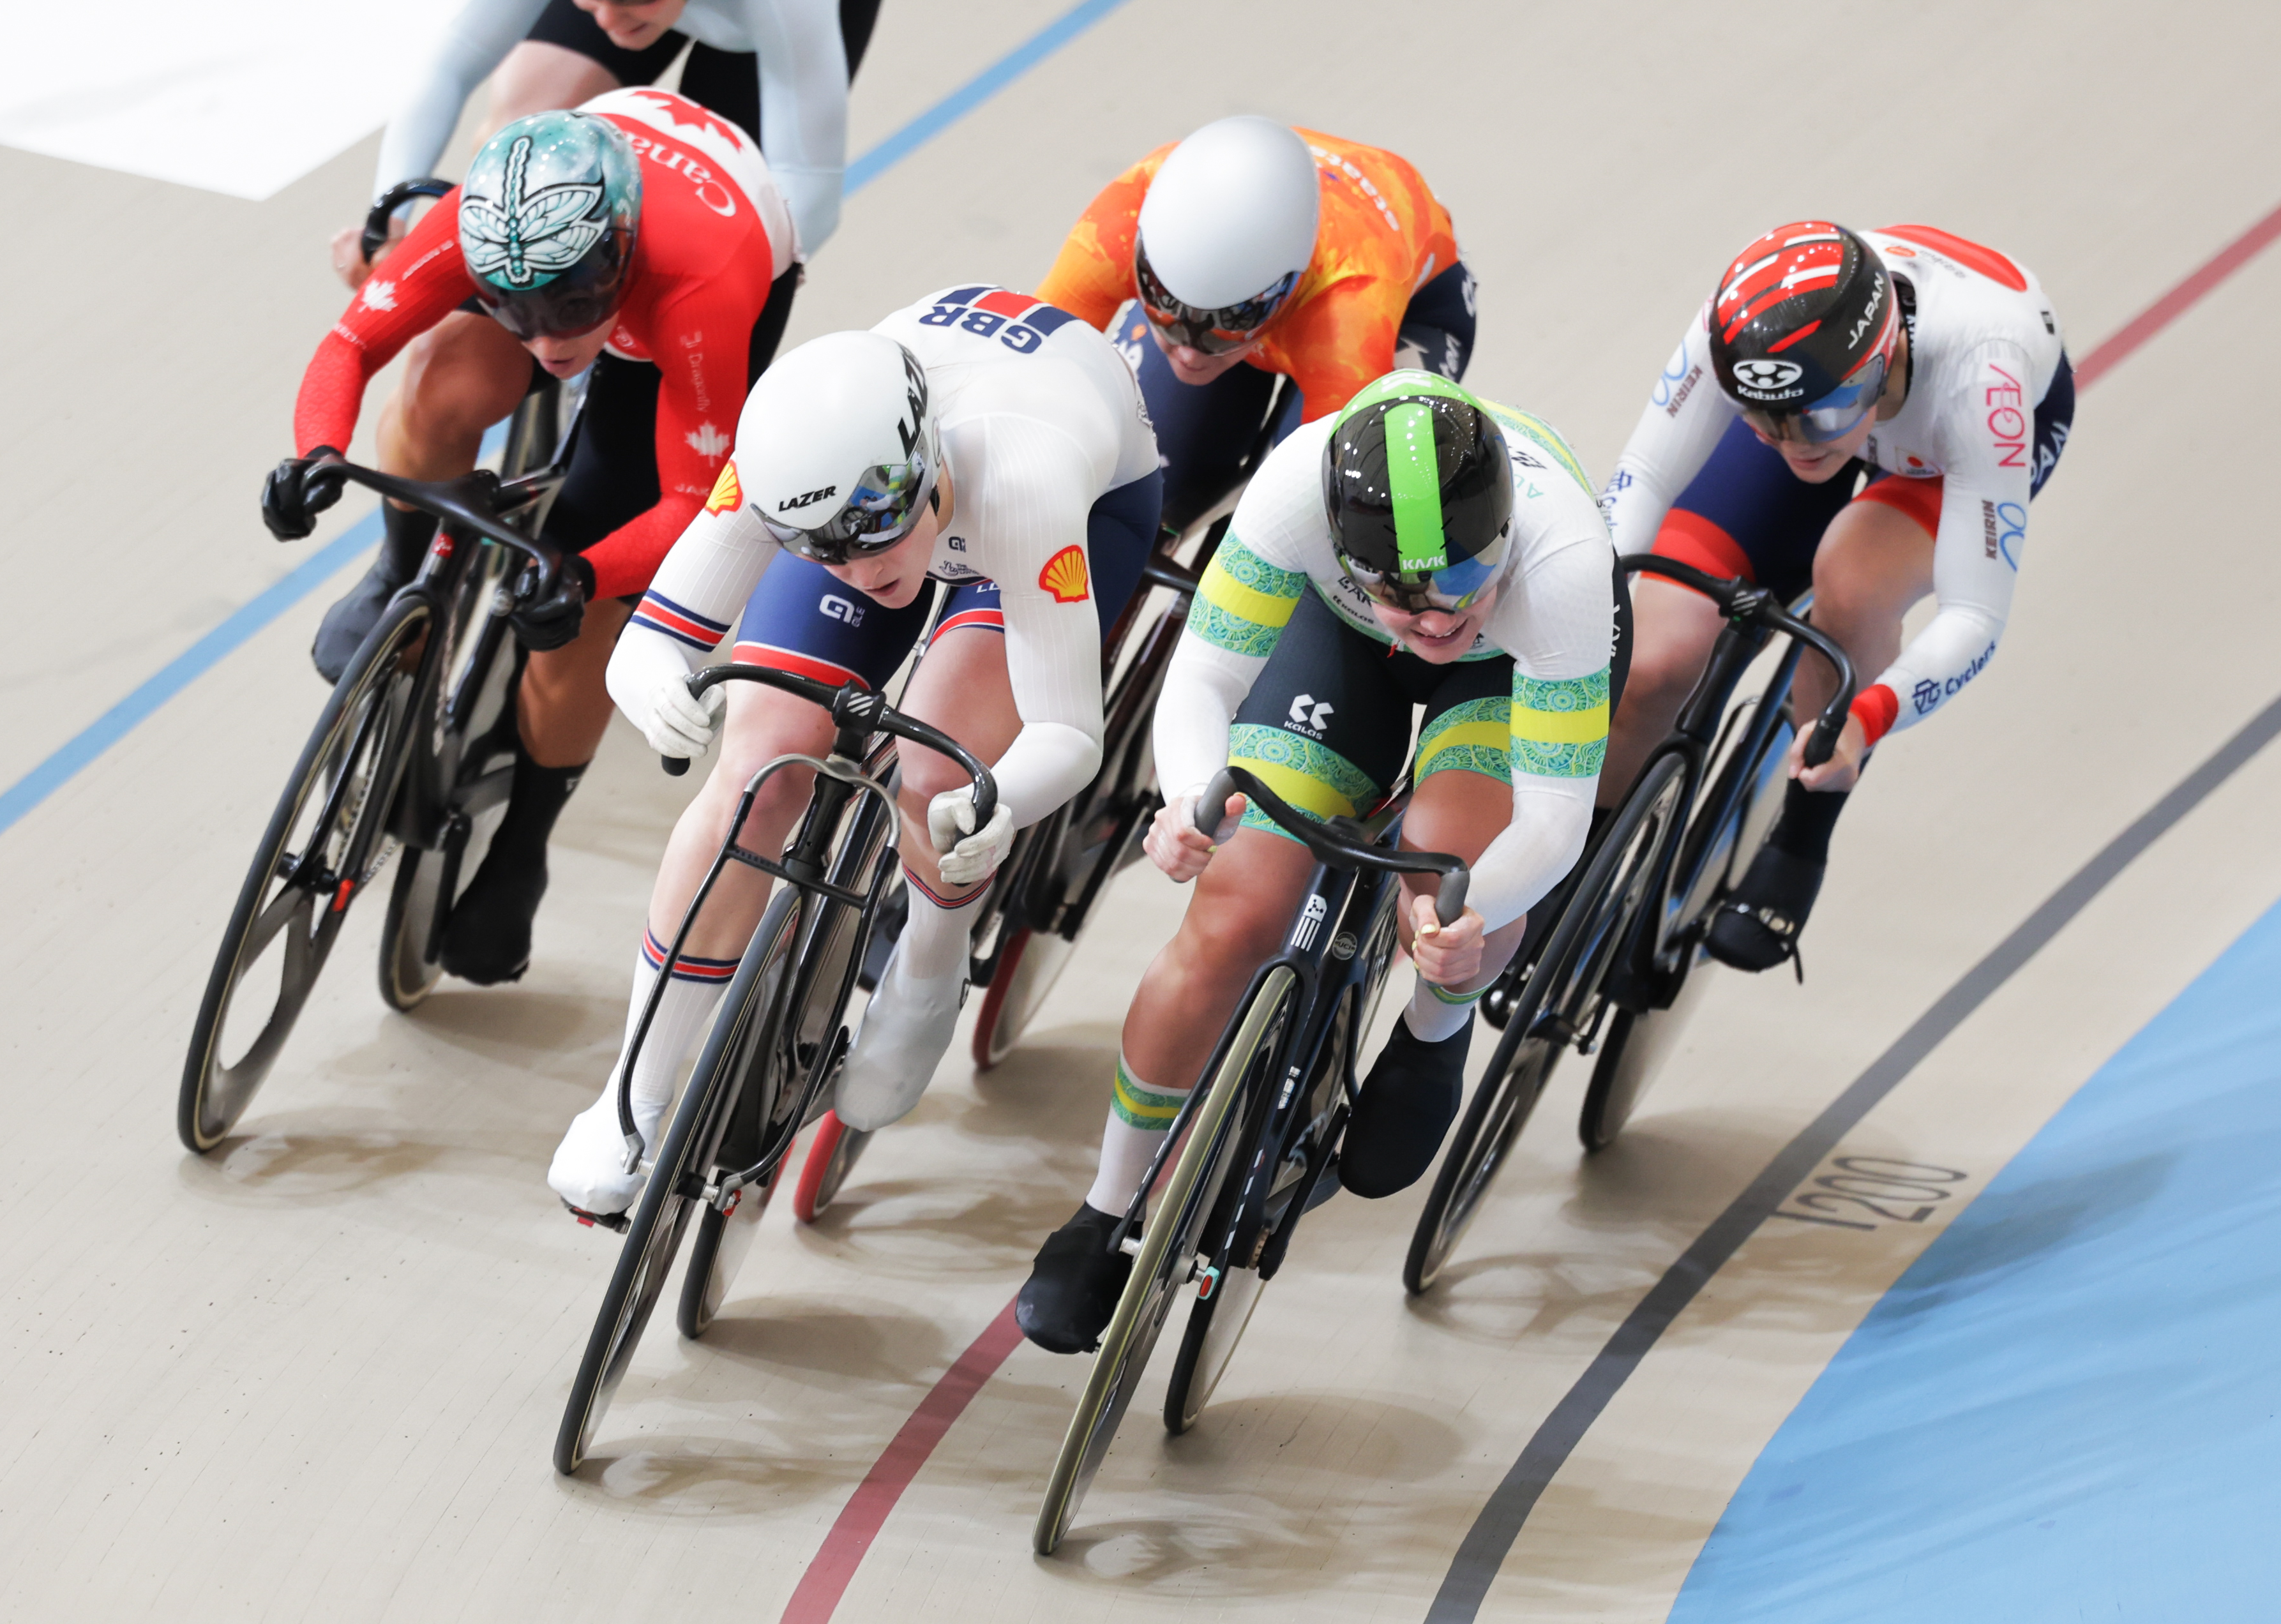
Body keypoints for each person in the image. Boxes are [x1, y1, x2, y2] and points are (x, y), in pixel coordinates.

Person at [1014, 372, 1618, 1354]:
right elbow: (1203, 678)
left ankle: (1434, 1031)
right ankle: (1105, 1204)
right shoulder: (1298, 489)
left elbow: (1553, 823)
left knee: (1447, 865)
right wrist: (1188, 799)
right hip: (1340, 639)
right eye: (1405, 596)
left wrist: (1464, 924)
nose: (1433, 622)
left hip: (1507, 668)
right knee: (1235, 912)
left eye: (1462, 584)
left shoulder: (1562, 568)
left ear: (1502, 540)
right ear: (1345, 551)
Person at [548, 285, 1162, 1221]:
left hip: (1071, 504)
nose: (859, 571)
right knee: (759, 772)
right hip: (888, 469)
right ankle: (628, 1098)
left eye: (875, 535)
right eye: (821, 551)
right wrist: (648, 682)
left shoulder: (1028, 479)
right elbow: (658, 636)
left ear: (919, 469)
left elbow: (1070, 736)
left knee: (940, 770)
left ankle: (928, 964)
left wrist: (994, 807)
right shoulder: (788, 466)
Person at [265, 89, 795, 984]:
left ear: (618, 256)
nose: (549, 342)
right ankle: (400, 579)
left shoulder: (704, 280)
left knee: (593, 597)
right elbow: (350, 347)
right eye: (518, 310)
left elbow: (699, 506)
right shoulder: (477, 226)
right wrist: (316, 453)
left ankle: (524, 846)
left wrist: (586, 574)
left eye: (574, 303)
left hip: (683, 294)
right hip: (568, 241)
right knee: (441, 386)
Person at [1597, 222, 2074, 970]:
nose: (1794, 447)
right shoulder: (1743, 325)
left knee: (1850, 584)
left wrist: (1864, 718)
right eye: (1759, 421)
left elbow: (1975, 615)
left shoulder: (1985, 380)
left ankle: (1802, 833)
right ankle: (1580, 867)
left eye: (1815, 420)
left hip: (1942, 451)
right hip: (1829, 385)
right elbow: (1641, 481)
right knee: (1656, 658)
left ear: (1881, 362)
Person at [1035, 115, 1476, 534]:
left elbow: (1339, 503)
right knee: (1131, 478)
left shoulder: (1351, 302)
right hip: (1280, 316)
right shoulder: (1121, 220)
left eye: (1232, 319)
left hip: (1405, 316)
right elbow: (1021, 367)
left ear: (1291, 288)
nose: (1189, 352)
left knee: (1328, 514)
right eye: (1167, 307)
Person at [333, 0, 878, 286]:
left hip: (759, 26)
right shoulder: (615, 5)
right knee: (516, 131)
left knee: (740, 209)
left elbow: (808, 192)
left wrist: (713, 285)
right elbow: (448, 66)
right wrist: (392, 214)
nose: (612, 19)